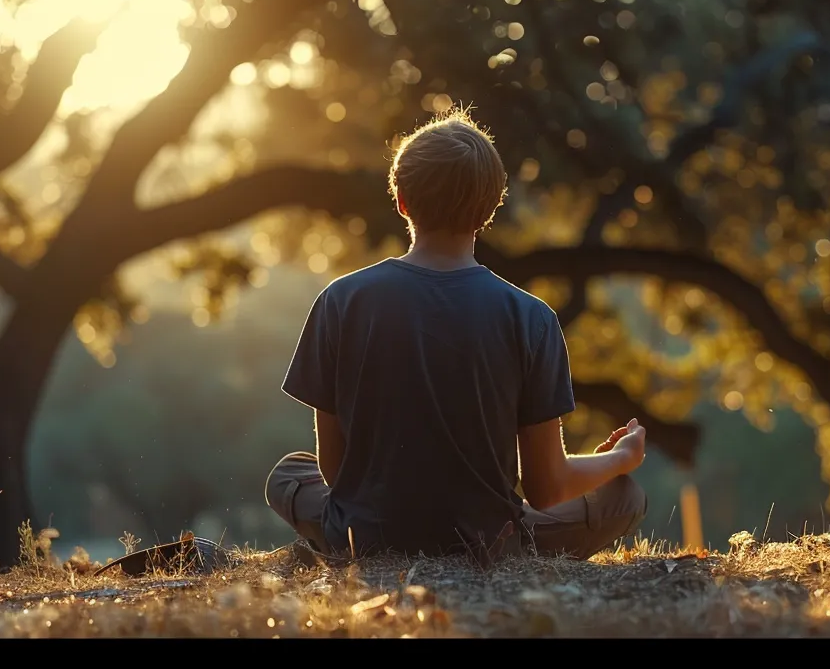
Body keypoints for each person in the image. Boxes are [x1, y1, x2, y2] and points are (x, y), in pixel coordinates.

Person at [263, 108, 648, 565]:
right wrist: (619, 460)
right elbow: (548, 488)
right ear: (490, 208)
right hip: (492, 541)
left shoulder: (340, 301)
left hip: (362, 536)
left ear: (401, 200)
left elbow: (335, 470)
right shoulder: (533, 318)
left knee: (289, 474)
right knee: (624, 496)